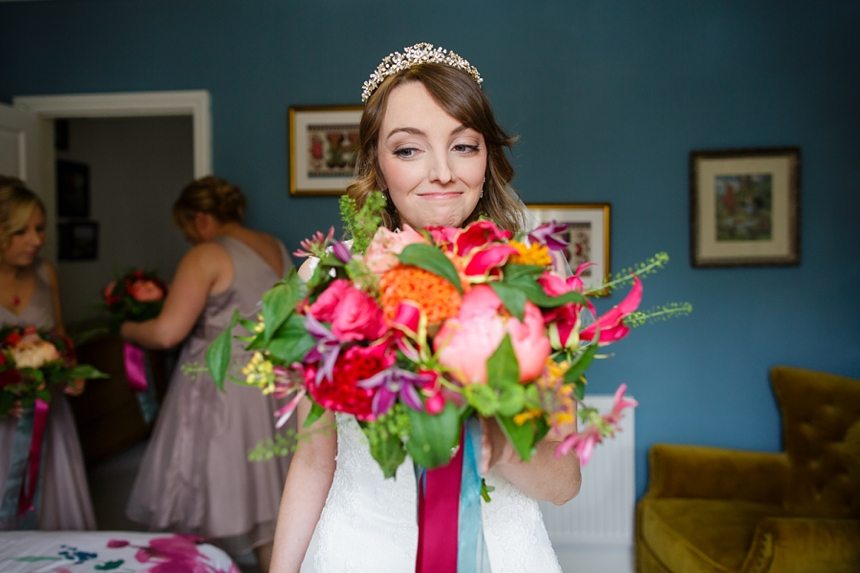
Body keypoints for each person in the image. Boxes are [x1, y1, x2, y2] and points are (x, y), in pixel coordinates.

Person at [269, 43, 582, 573]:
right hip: (355, 554)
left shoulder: (535, 285)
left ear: (488, 158)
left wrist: (500, 436)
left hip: (502, 555)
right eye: (409, 150)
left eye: (463, 146)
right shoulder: (325, 282)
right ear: (377, 163)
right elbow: (313, 459)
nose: (442, 172)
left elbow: (565, 485)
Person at [122, 176, 293, 573]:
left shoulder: (206, 256)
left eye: (186, 229)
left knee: (206, 497)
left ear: (200, 220)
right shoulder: (276, 247)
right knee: (270, 501)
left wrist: (127, 329)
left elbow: (167, 332)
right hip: (273, 381)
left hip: (222, 387)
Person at [0, 175, 96, 530]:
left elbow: (60, 337)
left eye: (39, 229)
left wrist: (71, 373)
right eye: (22, 231)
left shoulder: (45, 273)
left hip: (47, 414)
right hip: (4, 417)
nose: (37, 240)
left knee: (53, 511)